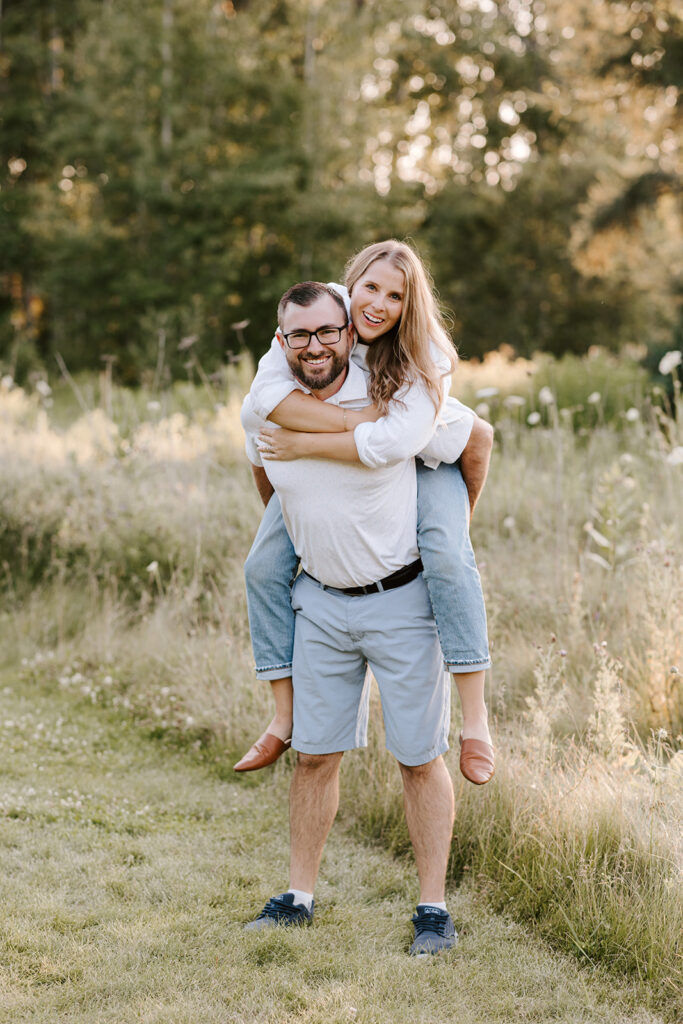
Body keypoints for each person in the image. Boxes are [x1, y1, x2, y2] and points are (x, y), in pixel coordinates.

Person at [241, 279, 464, 953]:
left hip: (401, 601)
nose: (314, 346)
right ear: (282, 342)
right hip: (320, 606)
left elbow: (465, 439)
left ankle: (432, 909)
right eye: (299, 335)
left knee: (419, 759)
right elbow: (266, 483)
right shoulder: (266, 408)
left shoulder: (392, 395)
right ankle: (298, 896)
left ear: (349, 332)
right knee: (313, 757)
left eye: (326, 332)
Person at [235, 240, 494, 787]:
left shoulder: (427, 353)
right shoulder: (323, 312)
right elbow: (261, 397)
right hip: (342, 466)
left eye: (394, 295)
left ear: (410, 304)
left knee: (447, 556)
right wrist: (355, 420)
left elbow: (398, 443)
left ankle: (477, 723)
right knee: (261, 567)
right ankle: (282, 716)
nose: (377, 304)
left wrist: (310, 441)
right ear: (349, 283)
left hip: (428, 460)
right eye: (370, 287)